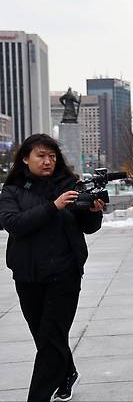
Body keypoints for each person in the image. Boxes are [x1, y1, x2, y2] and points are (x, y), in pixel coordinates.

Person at [0, 134, 104, 402]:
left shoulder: (70, 185)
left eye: (52, 156)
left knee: (51, 337)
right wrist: (53, 206)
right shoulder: (12, 190)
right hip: (28, 276)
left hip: (65, 274)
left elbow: (87, 227)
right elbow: (14, 224)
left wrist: (93, 211)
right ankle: (67, 372)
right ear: (25, 158)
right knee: (45, 336)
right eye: (41, 156)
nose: (48, 161)